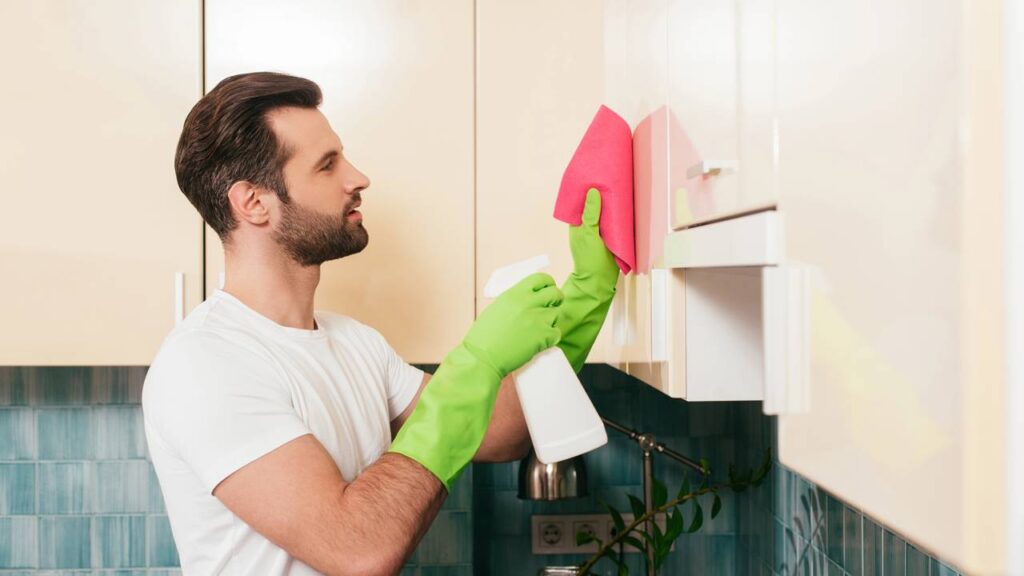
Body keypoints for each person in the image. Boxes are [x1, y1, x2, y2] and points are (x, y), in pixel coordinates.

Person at [142, 71, 619, 575]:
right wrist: (477, 362)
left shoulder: (355, 343)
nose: (358, 178)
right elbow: (358, 549)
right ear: (254, 203)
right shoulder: (204, 364)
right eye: (327, 165)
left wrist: (586, 295)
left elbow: (501, 431)